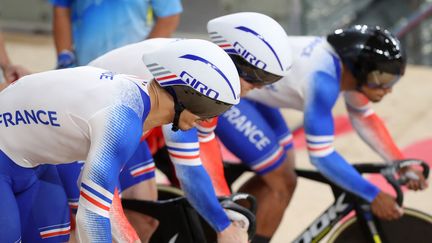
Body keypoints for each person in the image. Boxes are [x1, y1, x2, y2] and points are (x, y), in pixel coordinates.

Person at [0, 39, 245, 243]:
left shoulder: (137, 101)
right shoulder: (123, 119)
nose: (205, 121)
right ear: (185, 95)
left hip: (34, 162)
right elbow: (92, 217)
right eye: (207, 110)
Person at [86, 12, 293, 241]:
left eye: (268, 80)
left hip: (127, 130)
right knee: (92, 224)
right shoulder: (196, 76)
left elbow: (204, 147)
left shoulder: (213, 76)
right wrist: (223, 226)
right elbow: (187, 167)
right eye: (257, 77)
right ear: (236, 60)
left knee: (145, 221)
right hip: (92, 133)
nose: (259, 87)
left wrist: (225, 205)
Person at [214, 25, 429, 243]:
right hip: (230, 95)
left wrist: (401, 162)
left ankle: (236, 230)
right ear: (360, 69)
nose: (388, 89)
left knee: (284, 176)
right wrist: (372, 194)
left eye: (393, 81)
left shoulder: (348, 69)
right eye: (382, 79)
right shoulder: (323, 78)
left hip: (257, 96)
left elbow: (364, 117)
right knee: (280, 179)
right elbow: (321, 156)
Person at [50, 0, 182, 68]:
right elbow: (61, 10)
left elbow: (169, 16)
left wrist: (143, 57)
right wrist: (65, 55)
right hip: (85, 65)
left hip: (131, 69)